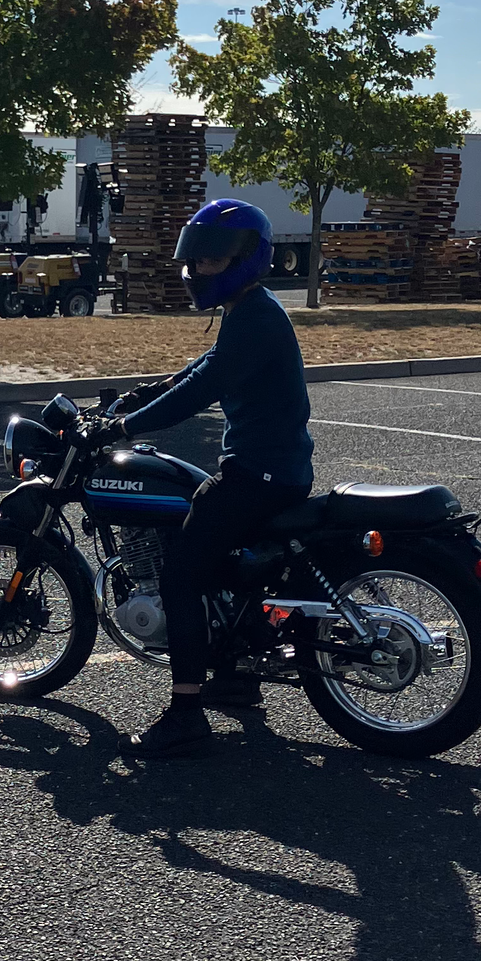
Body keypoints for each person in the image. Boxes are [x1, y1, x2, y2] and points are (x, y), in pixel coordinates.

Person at [111, 198, 312, 758]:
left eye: (209, 261)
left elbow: (203, 389)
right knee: (215, 558)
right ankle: (236, 676)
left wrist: (124, 427)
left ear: (245, 258)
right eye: (195, 261)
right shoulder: (250, 311)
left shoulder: (256, 318)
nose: (196, 270)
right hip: (274, 470)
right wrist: (136, 398)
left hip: (258, 475)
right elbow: (202, 368)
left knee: (180, 575)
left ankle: (185, 711)